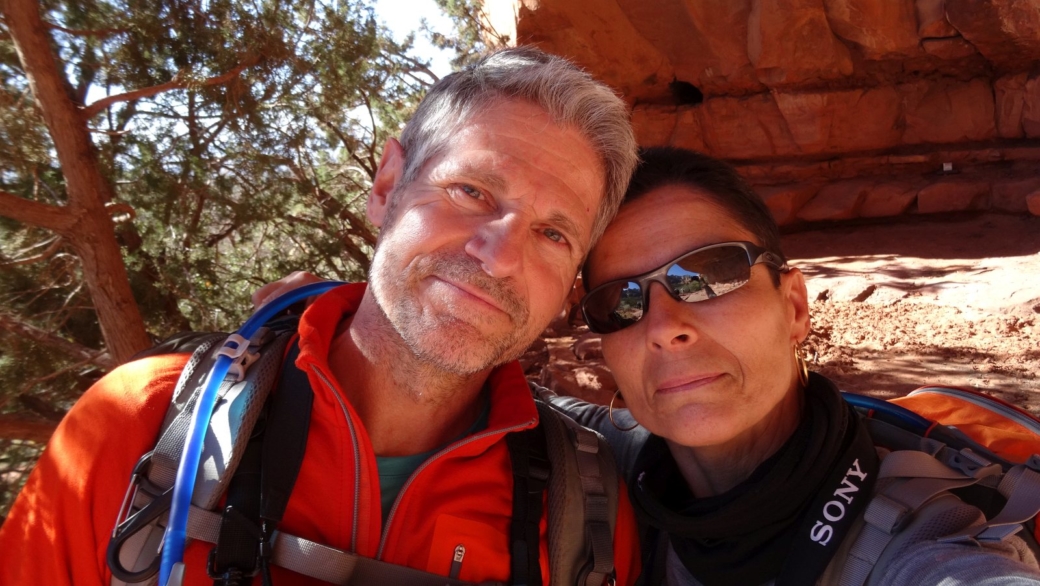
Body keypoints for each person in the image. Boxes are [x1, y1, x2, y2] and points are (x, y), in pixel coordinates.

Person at [0, 47, 643, 586]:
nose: (500, 257)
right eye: (470, 191)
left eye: (554, 234)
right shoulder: (143, 425)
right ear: (387, 186)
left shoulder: (585, 514)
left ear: (571, 283)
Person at [542, 146, 1040, 585]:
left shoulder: (927, 544)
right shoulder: (619, 461)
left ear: (794, 308)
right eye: (620, 302)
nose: (663, 326)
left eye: (709, 276)